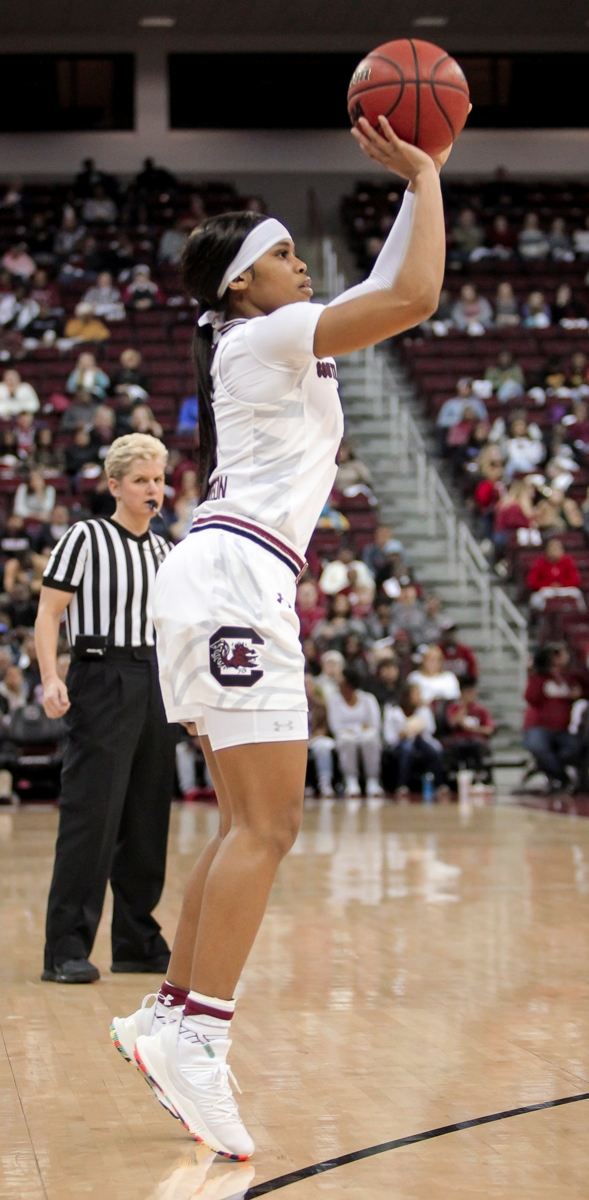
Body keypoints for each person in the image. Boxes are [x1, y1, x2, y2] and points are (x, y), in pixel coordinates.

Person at [111, 115, 448, 1161]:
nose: (302, 266)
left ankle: (171, 1017)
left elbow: (381, 287)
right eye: (284, 256)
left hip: (223, 578)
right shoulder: (262, 335)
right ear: (238, 288)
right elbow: (412, 297)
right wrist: (428, 178)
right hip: (234, 583)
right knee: (267, 828)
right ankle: (200, 1036)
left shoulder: (264, 330)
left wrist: (408, 188)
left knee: (243, 824)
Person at [36, 433, 176, 987]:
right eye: (141, 480)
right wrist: (51, 675)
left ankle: (138, 941)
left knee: (147, 817)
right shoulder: (85, 537)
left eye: (159, 480)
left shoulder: (166, 550)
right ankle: (65, 947)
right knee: (92, 815)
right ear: (115, 485)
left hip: (156, 678)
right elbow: (49, 614)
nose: (153, 490)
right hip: (101, 675)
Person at [522, 642, 583, 790]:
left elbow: (583, 689)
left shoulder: (570, 677)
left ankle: (543, 767)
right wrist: (535, 672)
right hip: (539, 726)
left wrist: (577, 694)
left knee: (576, 749)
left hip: (563, 728)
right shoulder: (538, 677)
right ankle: (562, 778)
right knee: (538, 747)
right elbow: (531, 697)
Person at [382, 680, 445, 798]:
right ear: (407, 695)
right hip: (399, 743)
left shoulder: (423, 710)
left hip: (421, 740)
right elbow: (388, 737)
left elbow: (431, 729)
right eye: (415, 694)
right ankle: (402, 785)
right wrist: (402, 734)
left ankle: (439, 785)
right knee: (407, 749)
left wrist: (418, 724)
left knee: (434, 751)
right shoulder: (393, 710)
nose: (418, 697)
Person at [326, 666, 383, 797]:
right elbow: (336, 727)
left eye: (344, 684)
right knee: (347, 740)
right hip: (345, 735)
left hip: (365, 734)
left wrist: (353, 729)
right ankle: (351, 780)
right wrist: (358, 728)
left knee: (370, 739)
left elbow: (374, 725)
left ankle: (372, 780)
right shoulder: (334, 701)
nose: (341, 687)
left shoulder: (368, 699)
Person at [445, 674, 494, 780]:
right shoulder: (454, 708)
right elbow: (452, 723)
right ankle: (456, 774)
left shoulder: (481, 710)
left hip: (476, 739)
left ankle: (479, 773)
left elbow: (489, 729)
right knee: (458, 746)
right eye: (467, 693)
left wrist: (474, 729)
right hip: (459, 740)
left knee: (476, 745)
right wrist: (464, 707)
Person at [526, 536, 583, 611]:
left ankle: (578, 617)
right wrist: (549, 585)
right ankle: (542, 618)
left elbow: (576, 580)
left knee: (577, 593)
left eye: (557, 549)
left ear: (562, 551)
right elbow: (532, 582)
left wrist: (561, 584)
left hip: (564, 589)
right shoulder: (540, 563)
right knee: (537, 599)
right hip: (546, 590)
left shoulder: (568, 561)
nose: (554, 551)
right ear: (547, 551)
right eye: (552, 549)